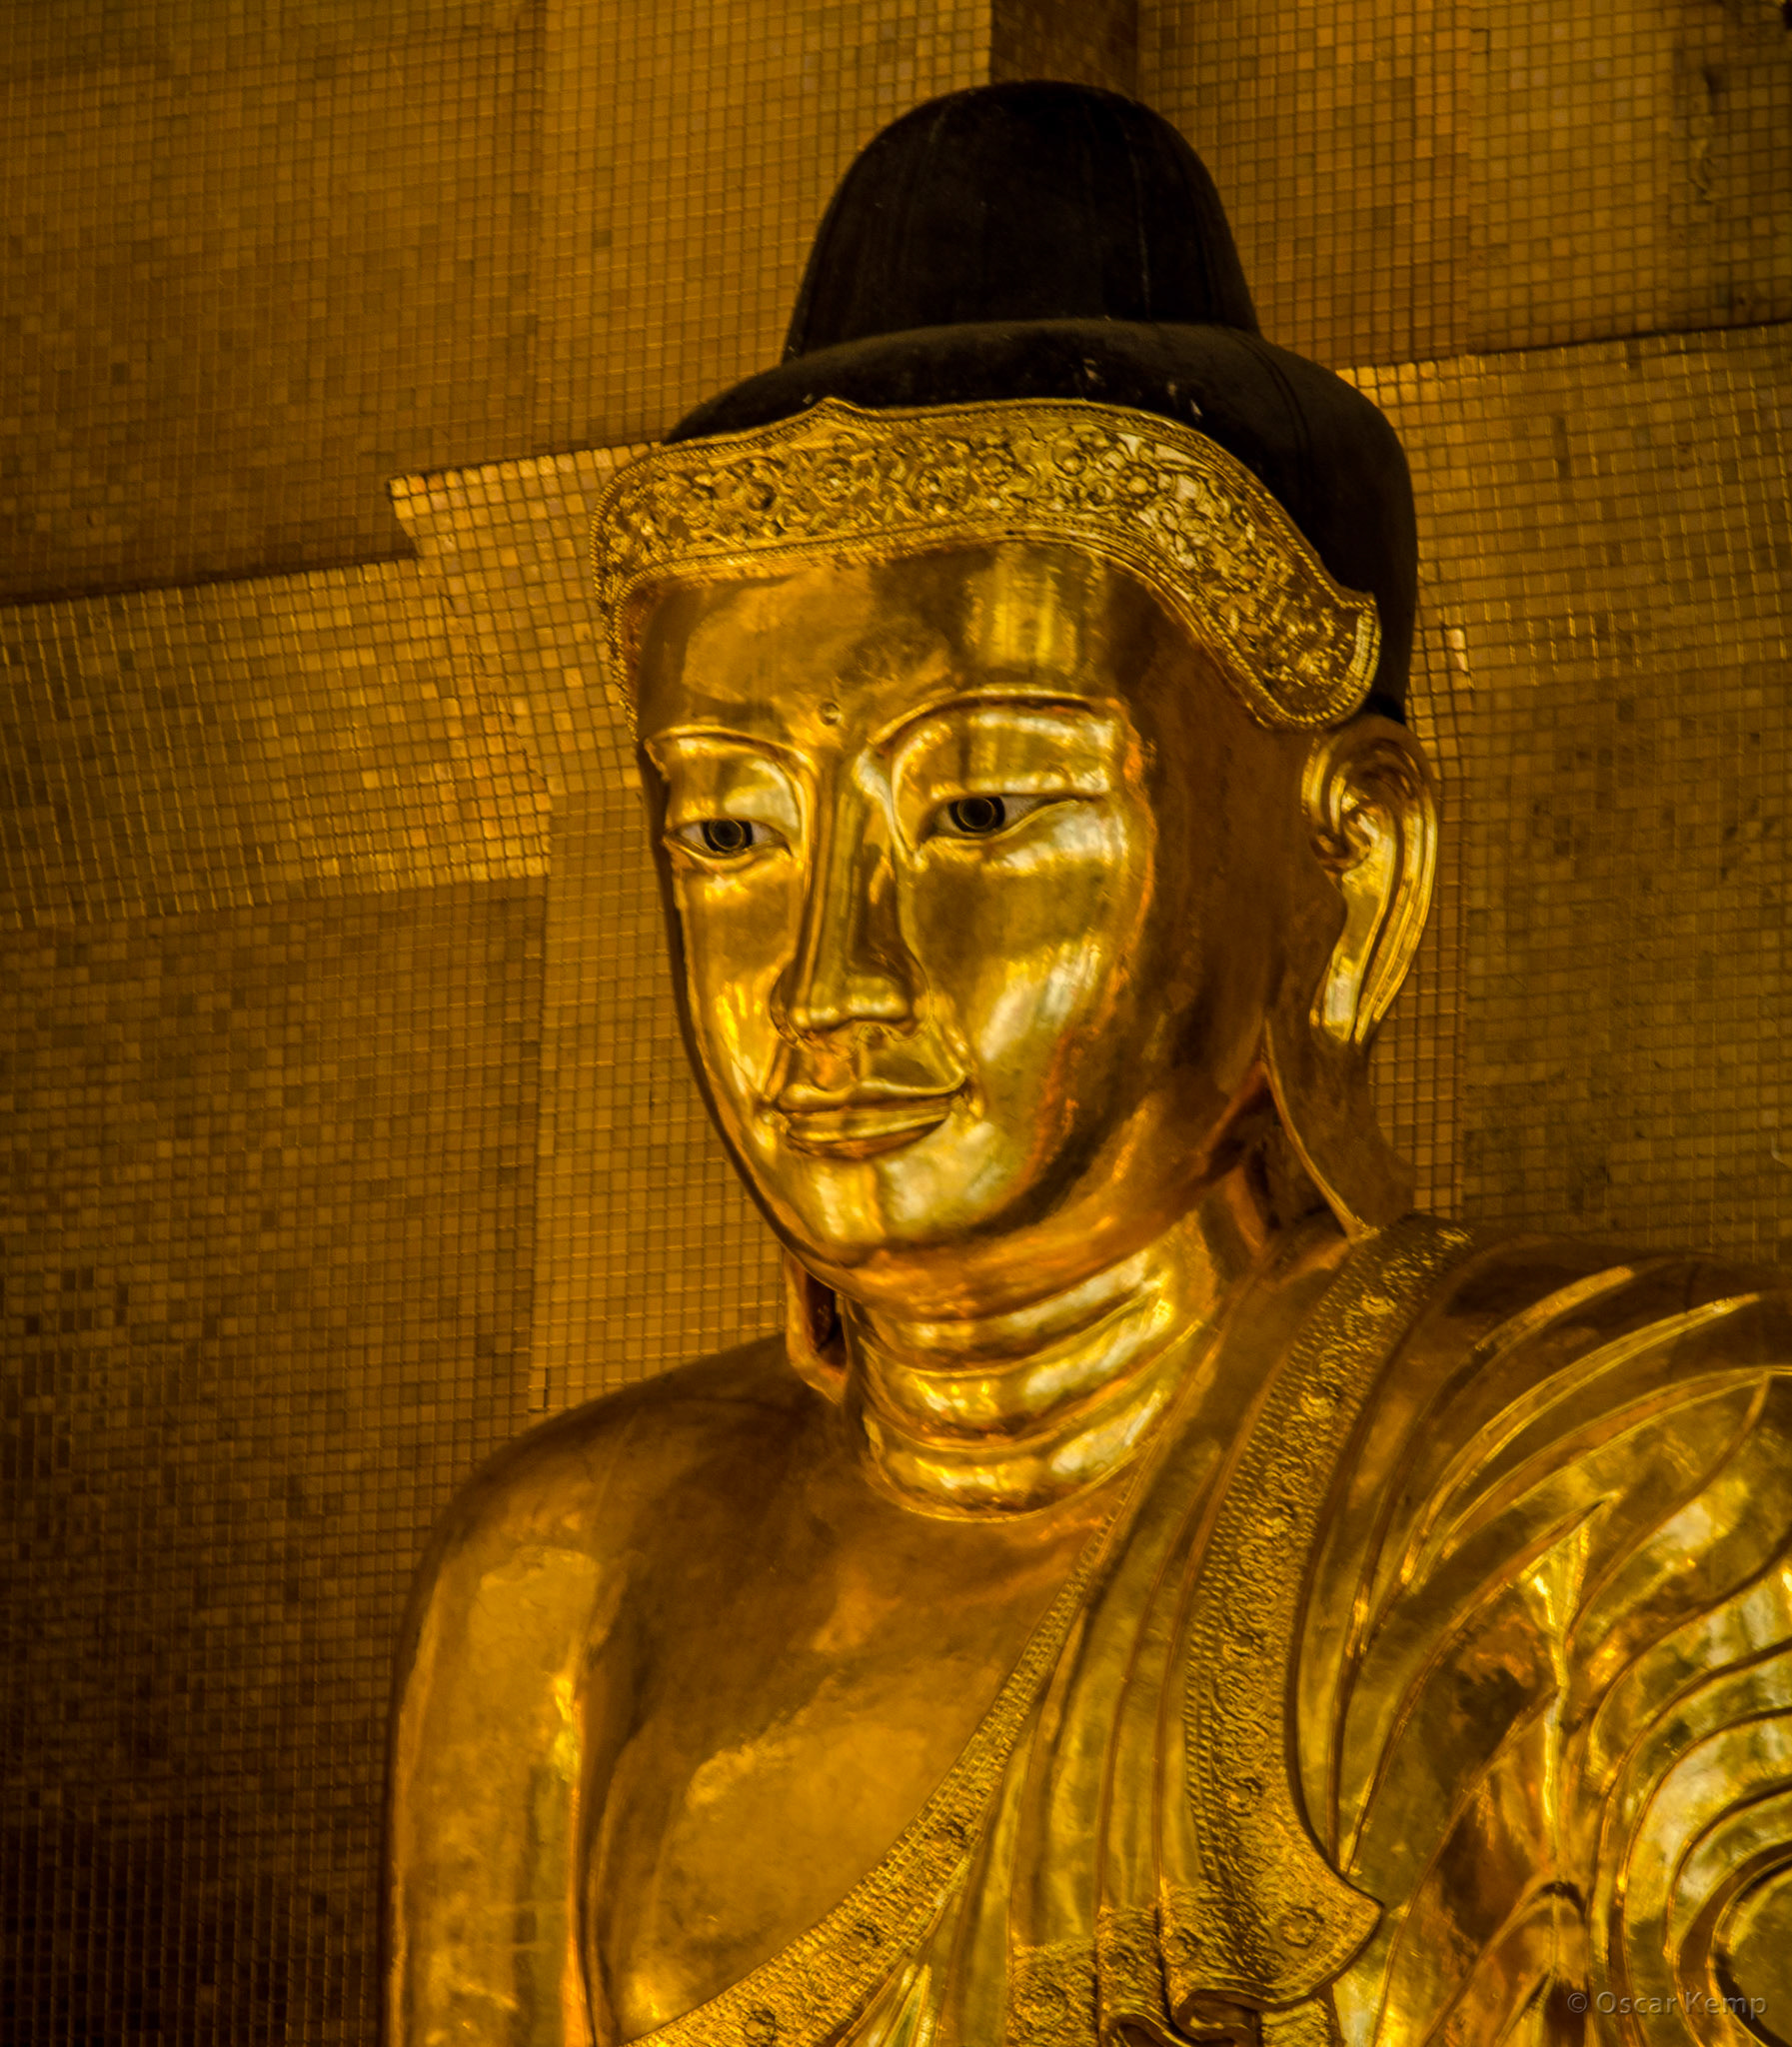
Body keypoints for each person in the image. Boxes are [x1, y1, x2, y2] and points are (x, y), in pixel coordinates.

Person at [385, 84, 1792, 2047]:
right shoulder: (566, 1584)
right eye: (726, 832)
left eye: (980, 810)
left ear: (1350, 865)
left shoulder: (1619, 1490)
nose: (833, 975)